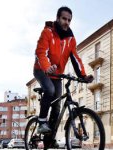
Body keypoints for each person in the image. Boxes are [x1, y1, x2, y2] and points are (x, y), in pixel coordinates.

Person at [34, 6, 93, 134]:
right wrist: (47, 67)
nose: (66, 22)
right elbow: (41, 52)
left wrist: (83, 76)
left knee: (57, 105)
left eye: (69, 20)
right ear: (57, 18)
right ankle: (41, 122)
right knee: (50, 90)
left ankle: (50, 137)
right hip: (41, 70)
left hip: (57, 74)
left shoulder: (71, 40)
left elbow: (75, 58)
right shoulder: (47, 32)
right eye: (64, 18)